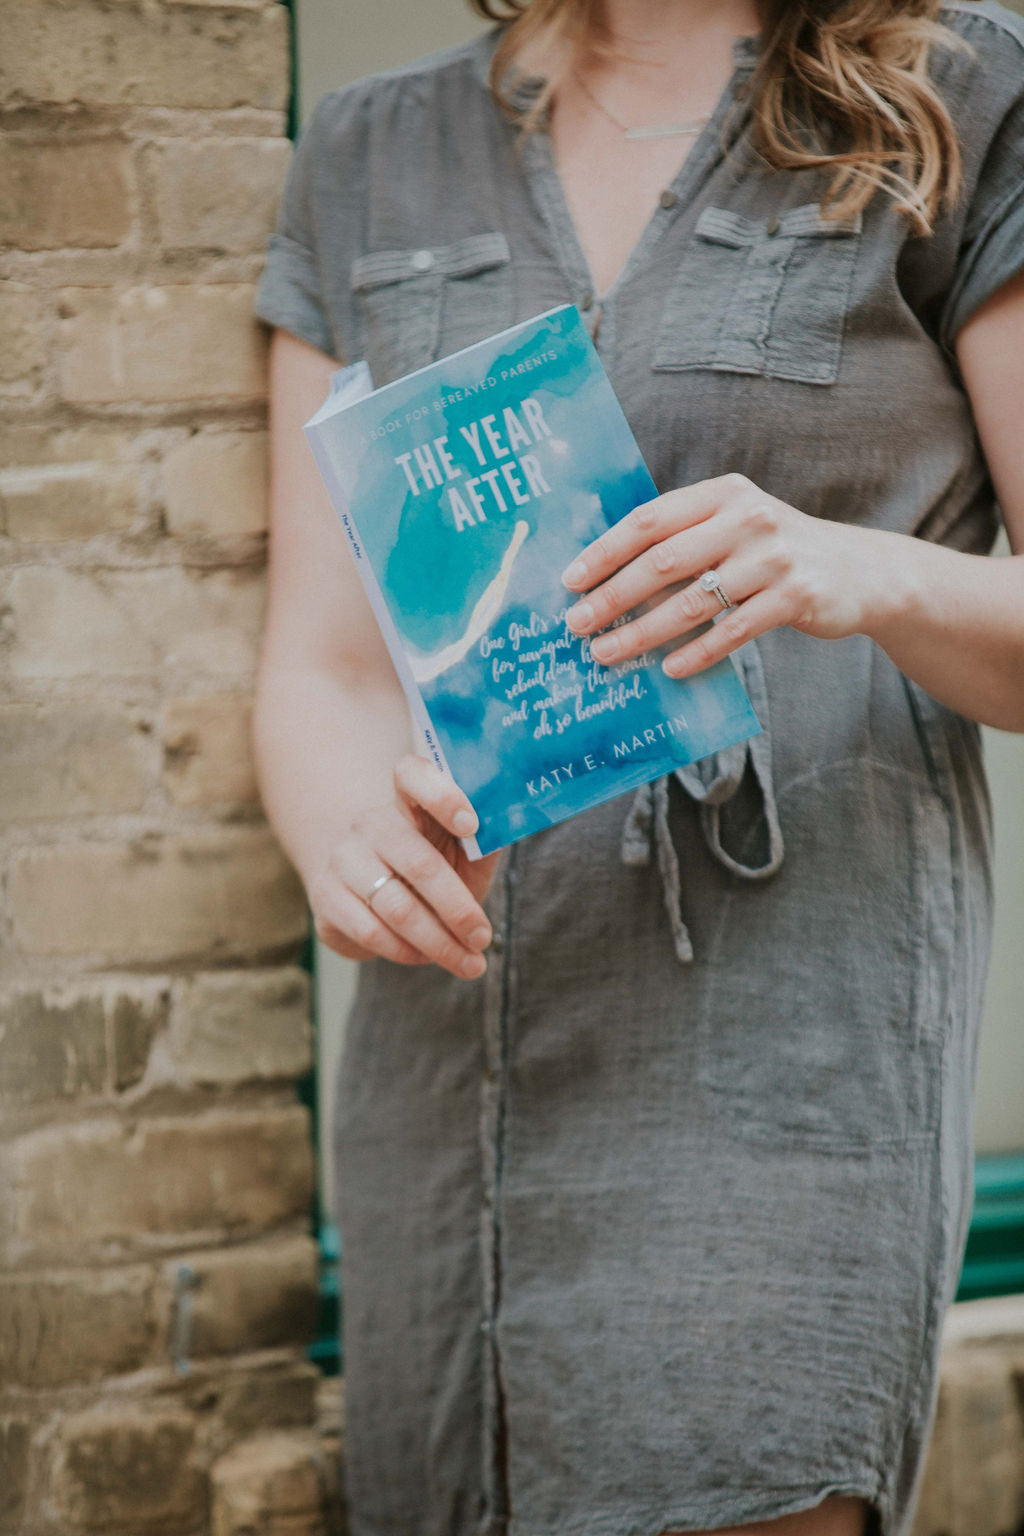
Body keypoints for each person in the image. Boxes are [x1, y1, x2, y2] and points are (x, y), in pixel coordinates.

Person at [250, 0, 1024, 1533]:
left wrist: (844, 570)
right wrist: (351, 837)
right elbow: (318, 667)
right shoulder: (365, 153)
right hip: (446, 1086)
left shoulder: (966, 96)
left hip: (790, 1065)